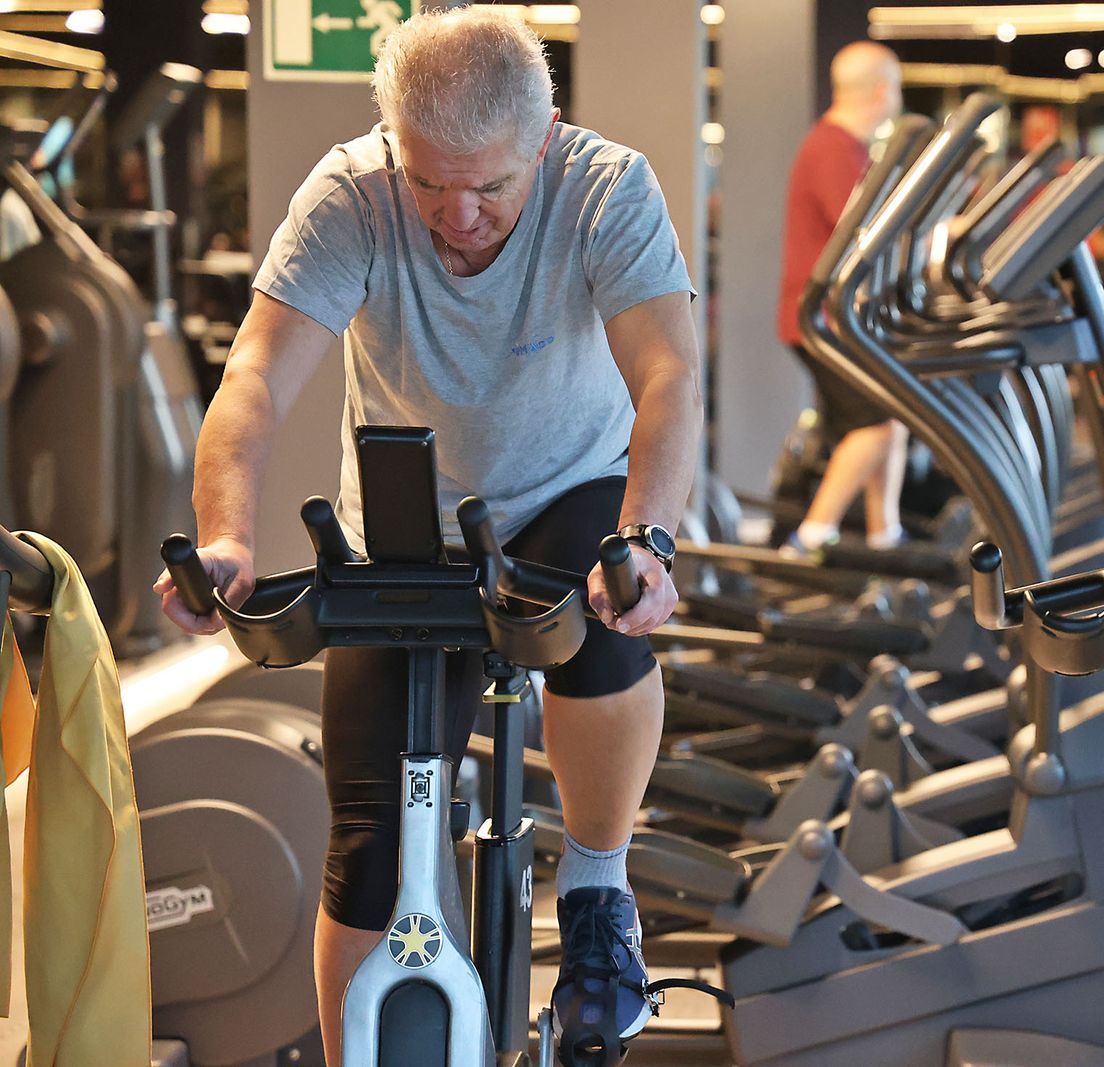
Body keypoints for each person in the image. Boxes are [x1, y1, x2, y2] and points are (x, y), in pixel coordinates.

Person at [152, 10, 701, 1061]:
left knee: (605, 612)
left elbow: (667, 374)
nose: (457, 215)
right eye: (428, 183)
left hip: (571, 487)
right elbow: (257, 373)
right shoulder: (350, 193)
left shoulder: (605, 185)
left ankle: (594, 887)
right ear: (393, 146)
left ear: (540, 142)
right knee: (363, 840)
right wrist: (223, 537)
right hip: (406, 516)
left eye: (490, 188)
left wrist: (651, 538)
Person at [776, 40, 906, 552]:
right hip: (825, 322)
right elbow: (864, 234)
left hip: (835, 319)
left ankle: (884, 536)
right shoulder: (833, 147)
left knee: (892, 420)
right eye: (895, 89)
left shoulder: (846, 147)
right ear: (882, 91)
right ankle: (811, 537)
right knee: (876, 427)